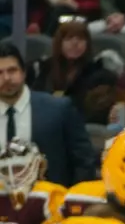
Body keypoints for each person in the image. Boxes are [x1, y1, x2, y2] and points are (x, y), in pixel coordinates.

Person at [0, 39, 93, 186]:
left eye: (12, 70)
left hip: (50, 203)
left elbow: (84, 162)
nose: (6, 78)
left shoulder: (59, 109)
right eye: (0, 73)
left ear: (24, 72)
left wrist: (71, 201)